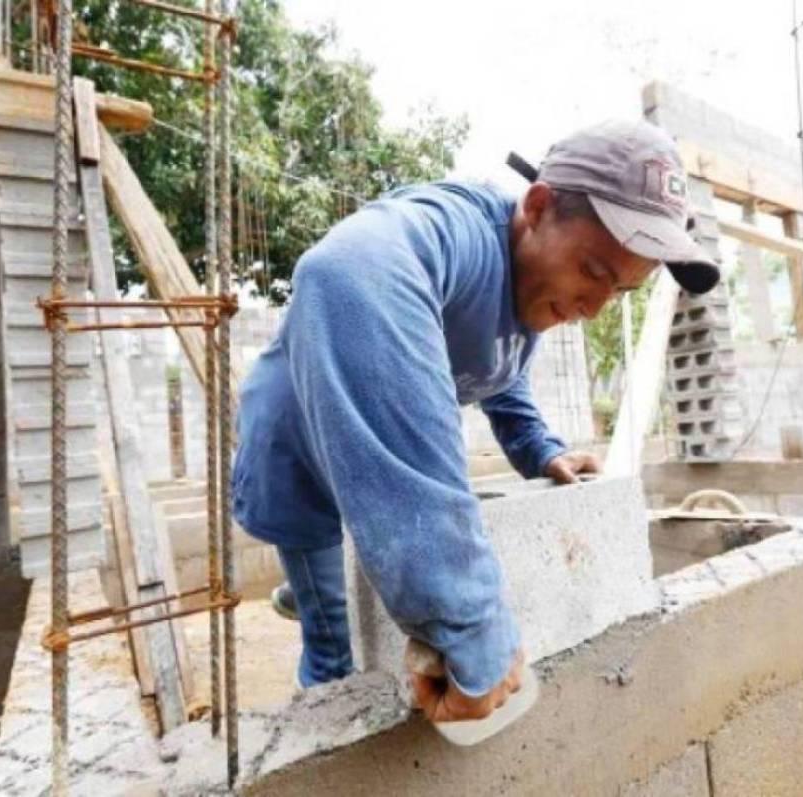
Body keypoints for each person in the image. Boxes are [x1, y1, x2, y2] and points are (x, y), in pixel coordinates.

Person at [232, 119, 720, 722]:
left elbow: (500, 364)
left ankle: (307, 593)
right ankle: (319, 731)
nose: (594, 309)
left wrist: (538, 448)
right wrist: (469, 619)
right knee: (338, 651)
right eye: (594, 271)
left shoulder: (532, 284)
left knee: (367, 586)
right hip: (299, 460)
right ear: (538, 207)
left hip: (367, 468)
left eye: (618, 292)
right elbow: (344, 269)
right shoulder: (453, 233)